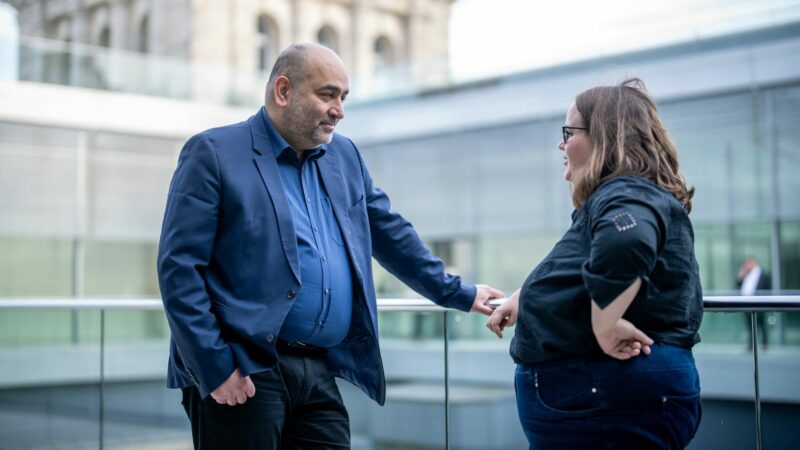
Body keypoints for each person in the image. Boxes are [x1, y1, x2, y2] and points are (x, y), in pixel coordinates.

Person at [157, 43, 504, 450]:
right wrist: (214, 366)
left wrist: (459, 293)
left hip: (318, 367)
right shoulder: (213, 153)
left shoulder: (345, 156)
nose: (339, 109)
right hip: (243, 368)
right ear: (283, 91)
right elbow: (179, 268)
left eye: (343, 97)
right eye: (327, 94)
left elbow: (391, 234)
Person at [487, 78, 703, 450]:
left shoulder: (625, 194)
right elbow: (596, 262)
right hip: (601, 395)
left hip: (600, 394)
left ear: (606, 136)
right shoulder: (628, 194)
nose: (561, 143)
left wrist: (605, 325)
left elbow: (627, 239)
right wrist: (530, 294)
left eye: (569, 132)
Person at [738, 256, 771, 349]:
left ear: (754, 263)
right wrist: (741, 276)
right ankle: (750, 345)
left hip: (759, 303)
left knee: (761, 324)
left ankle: (765, 344)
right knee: (750, 326)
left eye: (749, 263)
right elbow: (738, 285)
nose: (747, 265)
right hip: (746, 304)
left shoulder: (763, 275)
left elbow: (766, 288)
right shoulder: (746, 275)